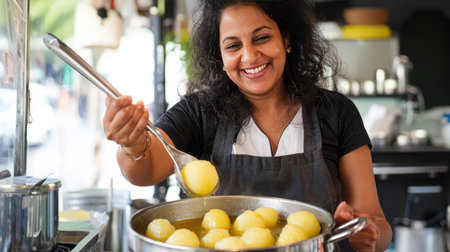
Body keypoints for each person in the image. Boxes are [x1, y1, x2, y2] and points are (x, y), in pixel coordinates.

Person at [102, 0, 392, 251]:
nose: (250, 56)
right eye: (233, 45)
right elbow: (144, 169)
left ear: (286, 38)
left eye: (262, 38)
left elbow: (376, 222)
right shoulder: (200, 112)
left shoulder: (336, 113)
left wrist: (369, 235)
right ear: (220, 56)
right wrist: (132, 144)